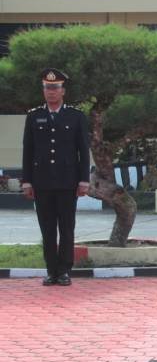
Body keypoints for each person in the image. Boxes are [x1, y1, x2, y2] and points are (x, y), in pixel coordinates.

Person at [21, 68, 90, 286]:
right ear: (43, 90)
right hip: (41, 182)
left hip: (68, 181)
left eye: (55, 88)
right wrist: (26, 181)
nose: (51, 92)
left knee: (67, 227)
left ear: (63, 91)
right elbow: (28, 150)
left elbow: (83, 149)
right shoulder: (34, 116)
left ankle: (64, 271)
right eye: (47, 88)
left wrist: (84, 180)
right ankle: (51, 270)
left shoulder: (76, 116)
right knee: (47, 228)